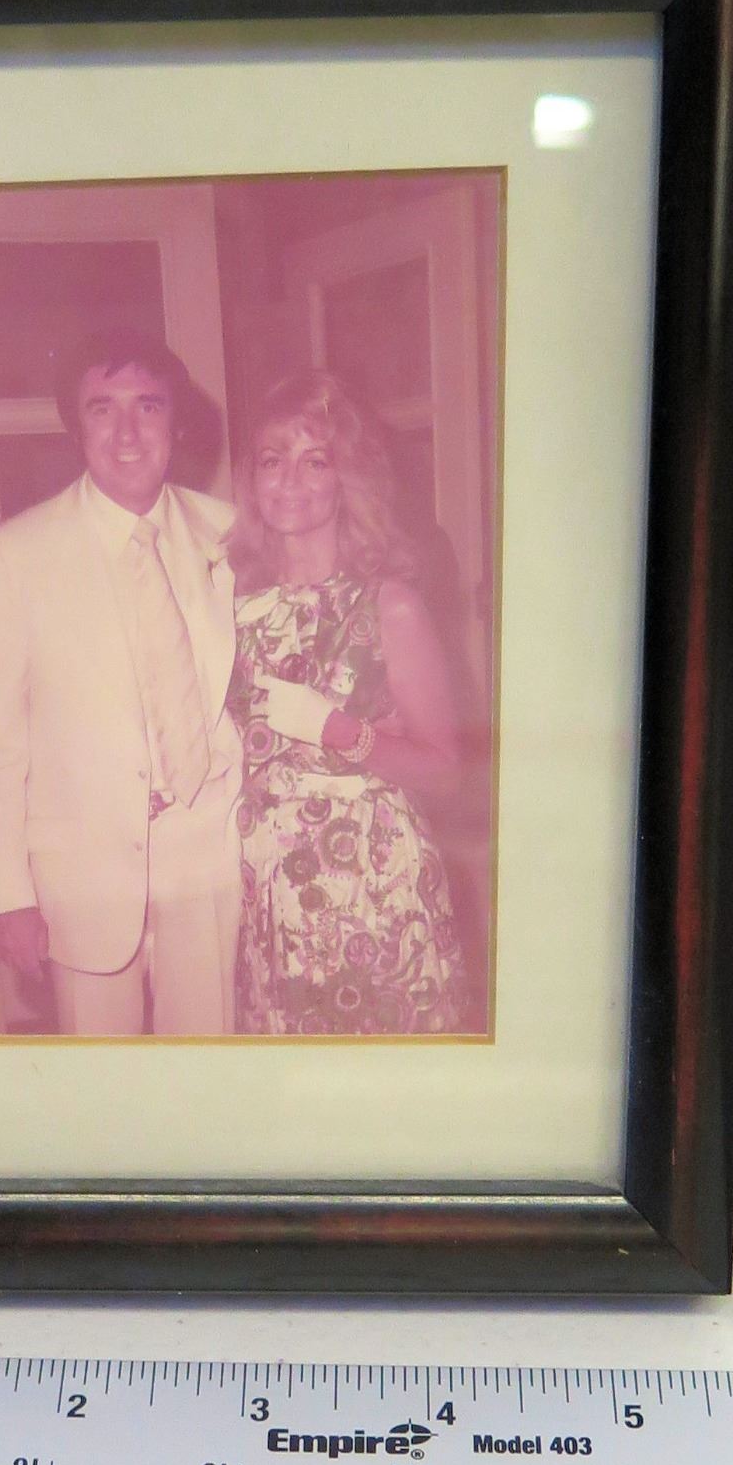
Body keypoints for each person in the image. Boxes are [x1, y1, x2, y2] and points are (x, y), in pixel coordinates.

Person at [0, 332, 242, 1036]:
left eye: (147, 406)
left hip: (208, 855)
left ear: (177, 422)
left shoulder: (234, 537)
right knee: (99, 1077)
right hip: (82, 875)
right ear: (75, 426)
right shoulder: (15, 557)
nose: (126, 432)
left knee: (208, 1069)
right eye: (101, 409)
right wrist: (7, 896)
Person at [226, 371, 470, 1035]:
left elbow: (447, 772)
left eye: (316, 461)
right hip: (271, 888)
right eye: (272, 460)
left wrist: (341, 731)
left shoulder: (389, 604)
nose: (289, 480)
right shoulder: (232, 606)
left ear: (348, 478)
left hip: (372, 881)